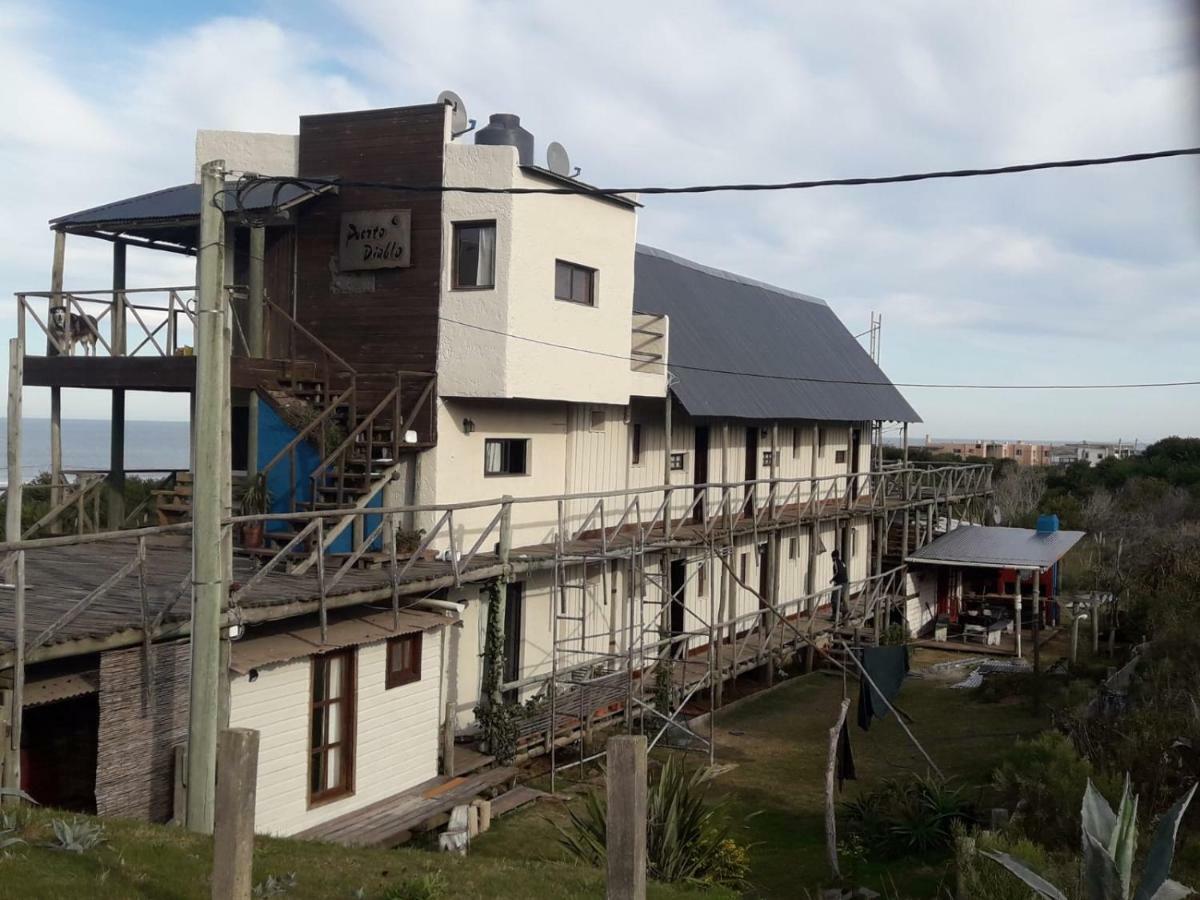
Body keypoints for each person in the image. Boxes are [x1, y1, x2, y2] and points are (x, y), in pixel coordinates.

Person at [830, 549, 849, 625]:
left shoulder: (836, 563)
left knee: (834, 600)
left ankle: (844, 611)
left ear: (834, 557)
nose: (831, 559)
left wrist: (832, 579)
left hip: (840, 583)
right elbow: (844, 571)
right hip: (845, 583)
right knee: (840, 598)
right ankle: (836, 615)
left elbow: (838, 572)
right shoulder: (842, 562)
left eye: (832, 557)